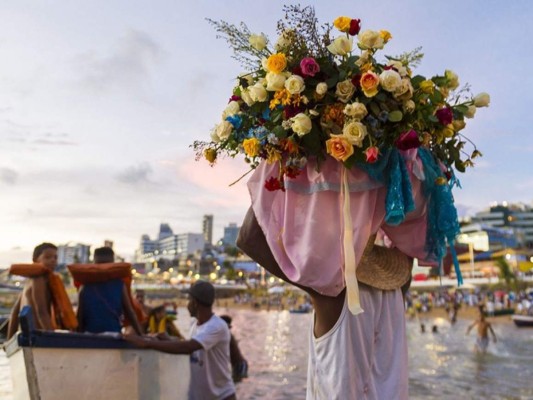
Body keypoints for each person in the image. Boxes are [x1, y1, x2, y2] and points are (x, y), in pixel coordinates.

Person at [237, 207, 415, 399]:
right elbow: (410, 242)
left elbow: (249, 237)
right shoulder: (399, 287)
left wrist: (276, 177)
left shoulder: (333, 290)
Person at [125, 281, 236, 400]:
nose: (187, 304)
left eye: (189, 300)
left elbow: (188, 348)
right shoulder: (195, 324)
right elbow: (193, 350)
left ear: (195, 303)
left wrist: (147, 343)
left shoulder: (216, 326)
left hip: (221, 397)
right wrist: (168, 340)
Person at [7, 243, 77, 339]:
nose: (53, 260)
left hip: (29, 337)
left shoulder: (30, 281)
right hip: (36, 336)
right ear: (35, 260)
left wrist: (9, 341)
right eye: (47, 257)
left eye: (55, 258)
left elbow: (14, 314)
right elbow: (41, 311)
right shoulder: (39, 279)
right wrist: (52, 338)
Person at [76, 247, 142, 335]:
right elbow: (130, 313)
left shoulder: (84, 286)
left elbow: (80, 316)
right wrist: (142, 336)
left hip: (89, 336)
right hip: (113, 336)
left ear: (94, 262)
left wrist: (79, 337)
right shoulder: (119, 284)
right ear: (112, 263)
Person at [220, 315, 249, 383]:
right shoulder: (227, 334)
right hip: (240, 364)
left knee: (234, 384)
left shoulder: (226, 335)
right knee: (234, 385)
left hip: (240, 365)